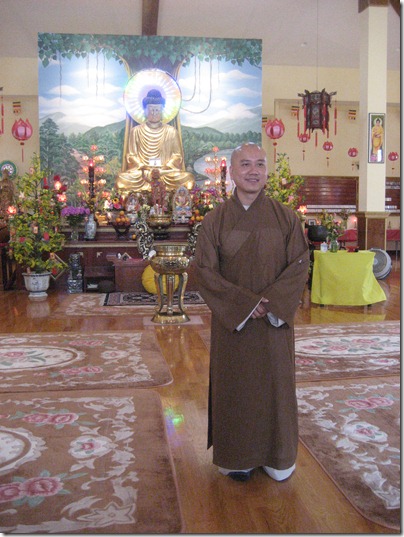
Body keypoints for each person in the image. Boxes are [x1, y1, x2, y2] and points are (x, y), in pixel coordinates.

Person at [194, 143, 310, 482]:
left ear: (266, 171)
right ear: (231, 171)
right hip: (235, 323)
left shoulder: (286, 217)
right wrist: (245, 304)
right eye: (245, 164)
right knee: (236, 386)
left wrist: (270, 302)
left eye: (259, 164)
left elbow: (299, 263)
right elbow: (203, 271)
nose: (253, 171)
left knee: (276, 385)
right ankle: (238, 456)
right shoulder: (215, 220)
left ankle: (278, 455)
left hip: (274, 320)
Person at [116, 89, 194, 192]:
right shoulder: (136, 131)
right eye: (151, 109)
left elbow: (177, 156)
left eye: (157, 110)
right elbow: (131, 156)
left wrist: (164, 168)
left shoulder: (171, 131)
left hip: (164, 172)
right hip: (144, 172)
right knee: (122, 179)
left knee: (188, 178)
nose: (154, 113)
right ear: (145, 111)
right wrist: (143, 167)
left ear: (162, 111)